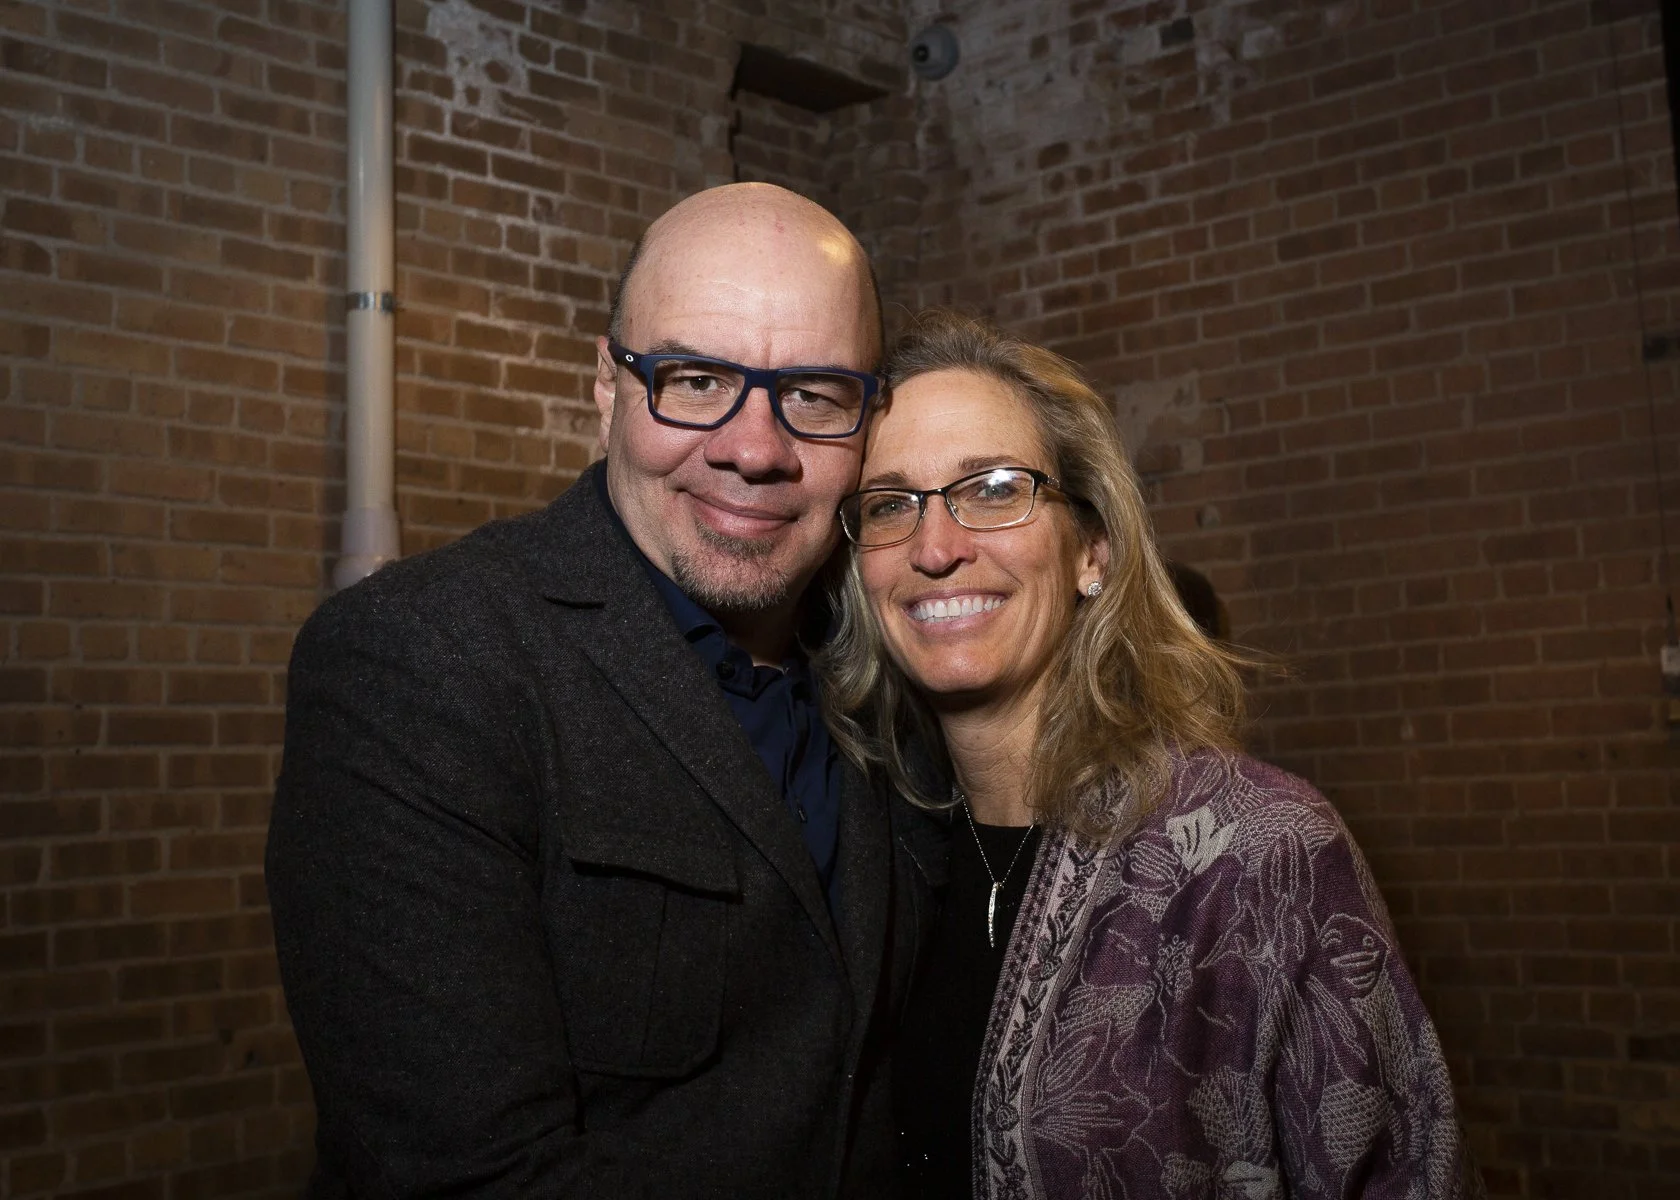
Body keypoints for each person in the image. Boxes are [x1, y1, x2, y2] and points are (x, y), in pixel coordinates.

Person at [266, 183, 946, 1198]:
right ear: (607, 385)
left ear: (870, 416)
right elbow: (470, 1178)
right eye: (695, 379)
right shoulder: (423, 660)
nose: (755, 449)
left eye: (813, 394)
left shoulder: (898, 664)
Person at [818, 310, 1482, 1199]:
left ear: (1092, 550)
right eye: (891, 505)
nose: (936, 547)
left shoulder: (1260, 851)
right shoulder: (874, 853)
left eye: (995, 488)